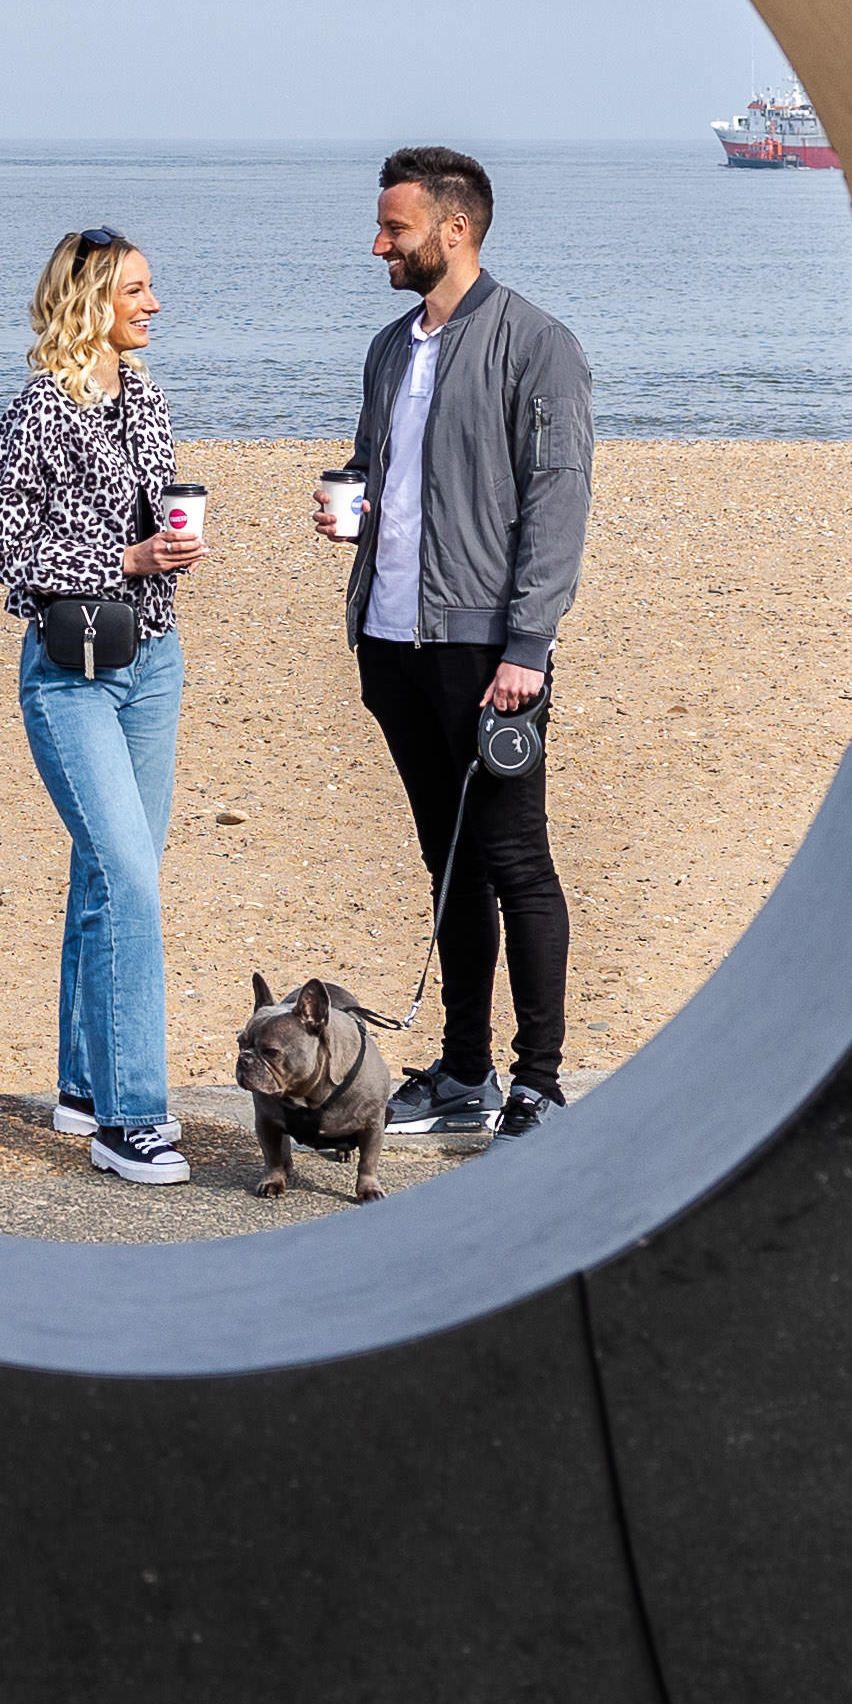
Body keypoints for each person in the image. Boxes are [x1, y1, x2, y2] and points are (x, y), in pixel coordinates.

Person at [341, 144, 588, 1141]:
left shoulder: (538, 346)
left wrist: (528, 646)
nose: (378, 245)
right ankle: (462, 1071)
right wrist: (350, 507)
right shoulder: (391, 348)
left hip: (488, 650)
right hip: (393, 643)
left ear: (454, 229)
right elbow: (380, 471)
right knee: (449, 866)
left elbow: (556, 501)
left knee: (513, 861)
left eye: (393, 228)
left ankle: (538, 1081)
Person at [0, 224, 204, 1188]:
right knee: (131, 882)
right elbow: (1, 545)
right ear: (91, 303)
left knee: (109, 875)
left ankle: (79, 1085)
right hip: (69, 671)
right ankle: (129, 1119)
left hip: (153, 662)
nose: (153, 304)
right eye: (137, 291)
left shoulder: (144, 397)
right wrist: (121, 561)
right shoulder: (38, 407)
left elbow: (149, 515)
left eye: (152, 289)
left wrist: (174, 543)